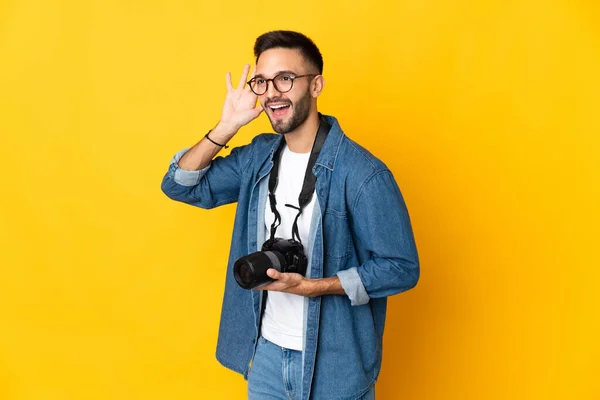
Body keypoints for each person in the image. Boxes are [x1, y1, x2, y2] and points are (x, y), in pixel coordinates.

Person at [160, 30, 419, 400]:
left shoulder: (362, 173)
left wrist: (313, 287)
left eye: (285, 78)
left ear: (316, 85)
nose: (271, 93)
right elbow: (180, 185)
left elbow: (401, 267)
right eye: (262, 82)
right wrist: (227, 126)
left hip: (335, 366)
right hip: (265, 358)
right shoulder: (257, 156)